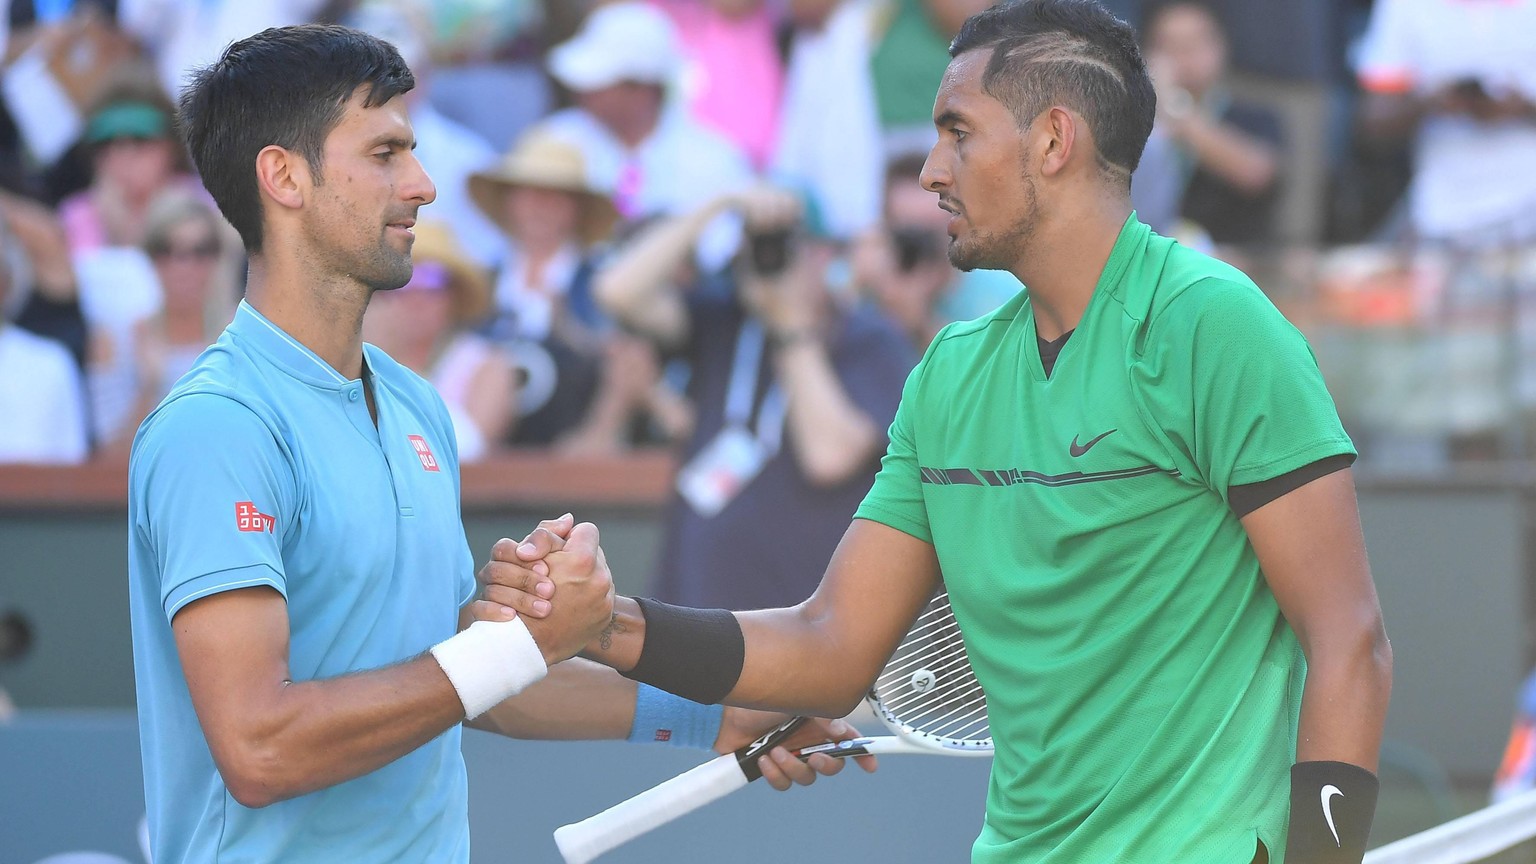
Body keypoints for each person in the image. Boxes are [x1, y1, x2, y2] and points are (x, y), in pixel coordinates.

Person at [506, 2, 1393, 863]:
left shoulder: (1217, 326)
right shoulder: (950, 371)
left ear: (1052, 141)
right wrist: (606, 626)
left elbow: (1348, 641)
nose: (932, 170)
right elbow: (829, 647)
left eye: (958, 132)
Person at [126, 24, 862, 864]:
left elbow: (478, 689)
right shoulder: (215, 426)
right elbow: (261, 748)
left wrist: (716, 717)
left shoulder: (416, 407)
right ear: (284, 177)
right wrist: (522, 643)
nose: (424, 184)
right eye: (386, 153)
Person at [595, 186, 917, 611]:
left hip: (798, 621)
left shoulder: (869, 339)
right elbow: (616, 291)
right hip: (691, 607)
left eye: (784, 248)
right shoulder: (723, 320)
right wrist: (717, 204)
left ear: (823, 256)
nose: (766, 263)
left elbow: (831, 457)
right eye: (753, 249)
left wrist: (791, 327)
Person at [540, 1, 754, 269]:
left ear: (642, 90)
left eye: (600, 82)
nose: (583, 91)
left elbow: (719, 260)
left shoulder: (714, 160)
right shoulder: (556, 141)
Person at [1355, 0, 1536, 244]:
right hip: (1442, 215)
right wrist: (1431, 102)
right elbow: (1374, 121)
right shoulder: (1405, 6)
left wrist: (1522, 108)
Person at [361, 220, 516, 461]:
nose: (416, 297)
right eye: (401, 282)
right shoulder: (355, 363)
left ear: (454, 295)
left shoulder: (487, 365)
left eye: (431, 279)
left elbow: (467, 447)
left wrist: (393, 360)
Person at [1136, 0, 1283, 245]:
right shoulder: (1131, 121)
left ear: (1220, 46)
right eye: (1169, 46)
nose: (1182, 58)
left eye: (1193, 45)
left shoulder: (1253, 116)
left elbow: (1256, 174)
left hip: (1230, 260)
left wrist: (1175, 108)